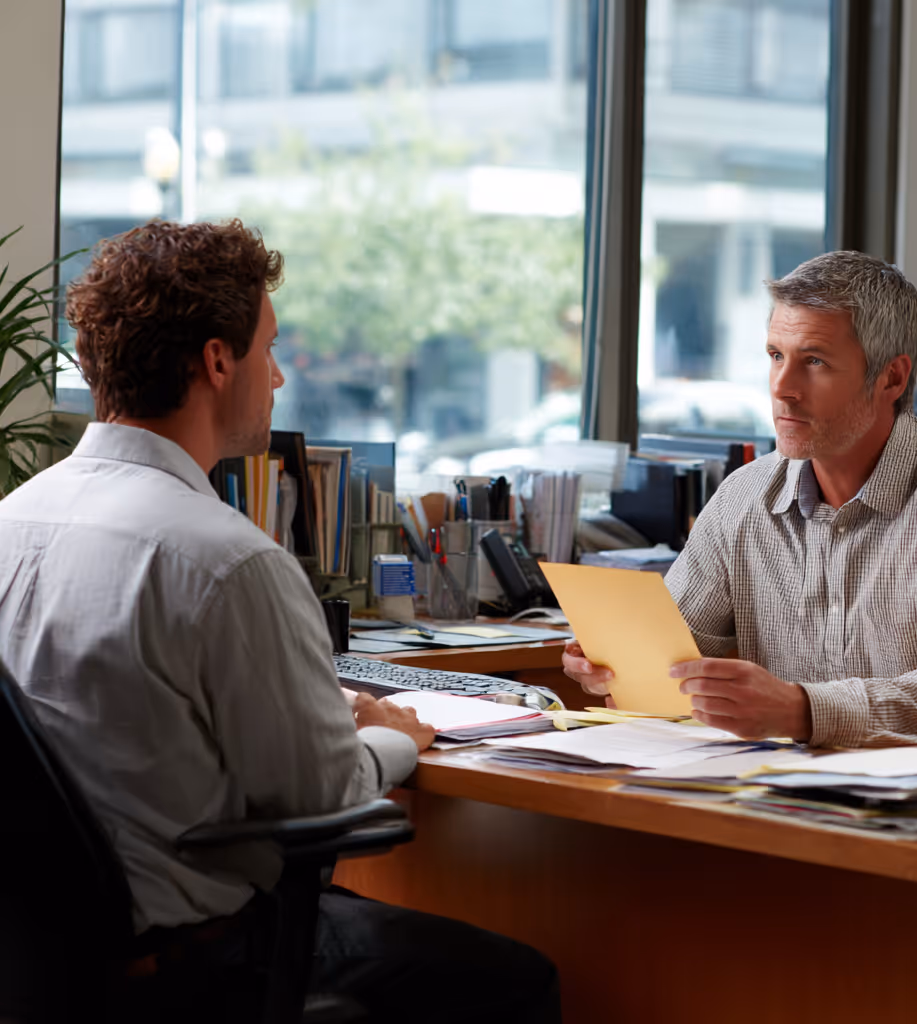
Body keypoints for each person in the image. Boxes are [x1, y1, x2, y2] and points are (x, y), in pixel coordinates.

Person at [0, 219, 559, 1023]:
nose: (281, 375)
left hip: (46, 968)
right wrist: (398, 732)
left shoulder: (14, 519)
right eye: (268, 347)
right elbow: (325, 791)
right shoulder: (224, 560)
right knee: (517, 979)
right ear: (218, 361)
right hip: (200, 958)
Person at [565, 250, 917, 748]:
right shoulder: (744, 496)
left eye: (815, 361)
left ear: (891, 378)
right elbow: (679, 651)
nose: (782, 389)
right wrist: (616, 663)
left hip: (916, 809)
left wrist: (804, 712)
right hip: (759, 788)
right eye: (776, 356)